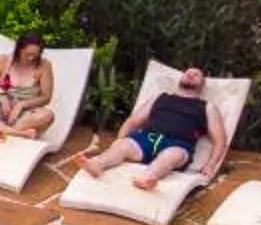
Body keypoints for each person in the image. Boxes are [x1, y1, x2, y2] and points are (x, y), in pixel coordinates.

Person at [82, 65, 226, 190]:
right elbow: (133, 122)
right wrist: (119, 140)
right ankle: (97, 164)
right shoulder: (160, 98)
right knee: (123, 145)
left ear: (202, 84)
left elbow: (220, 140)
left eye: (196, 74)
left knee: (171, 156)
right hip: (146, 139)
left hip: (178, 145)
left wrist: (210, 165)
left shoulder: (207, 107)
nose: (191, 74)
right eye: (188, 72)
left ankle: (148, 178)